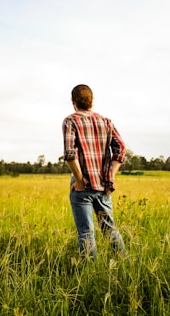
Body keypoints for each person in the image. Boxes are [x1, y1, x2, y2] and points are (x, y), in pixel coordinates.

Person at [62, 84, 127, 260]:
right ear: (91, 101)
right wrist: (110, 176)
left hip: (83, 188)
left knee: (86, 232)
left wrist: (80, 180)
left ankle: (90, 272)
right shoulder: (105, 121)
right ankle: (125, 262)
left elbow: (69, 154)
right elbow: (121, 148)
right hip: (104, 185)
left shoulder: (71, 121)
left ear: (73, 101)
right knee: (110, 229)